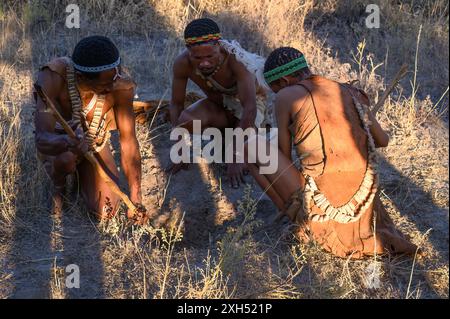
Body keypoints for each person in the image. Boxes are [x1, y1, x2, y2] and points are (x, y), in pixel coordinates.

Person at [245, 46, 417, 258]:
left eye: (275, 89)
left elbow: (284, 157)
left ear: (284, 81)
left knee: (250, 147)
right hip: (362, 206)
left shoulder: (287, 95)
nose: (277, 95)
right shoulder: (351, 91)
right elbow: (382, 140)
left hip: (322, 208)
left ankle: (301, 226)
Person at [34, 35, 147, 224]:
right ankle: (58, 188)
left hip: (94, 143)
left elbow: (128, 141)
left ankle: (83, 177)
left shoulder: (120, 85)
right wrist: (68, 143)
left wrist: (136, 196)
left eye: (116, 76)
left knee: (106, 212)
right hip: (60, 146)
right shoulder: (53, 77)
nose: (113, 86)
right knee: (67, 159)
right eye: (105, 85)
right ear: (80, 78)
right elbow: (42, 139)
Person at [167, 18, 270, 188]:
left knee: (245, 162)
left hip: (248, 110)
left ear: (219, 46)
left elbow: (250, 108)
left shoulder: (236, 60)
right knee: (187, 120)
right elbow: (176, 104)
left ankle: (240, 139)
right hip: (219, 106)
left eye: (210, 56)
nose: (204, 63)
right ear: (188, 51)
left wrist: (236, 156)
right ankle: (226, 136)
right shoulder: (182, 63)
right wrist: (179, 145)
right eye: (197, 58)